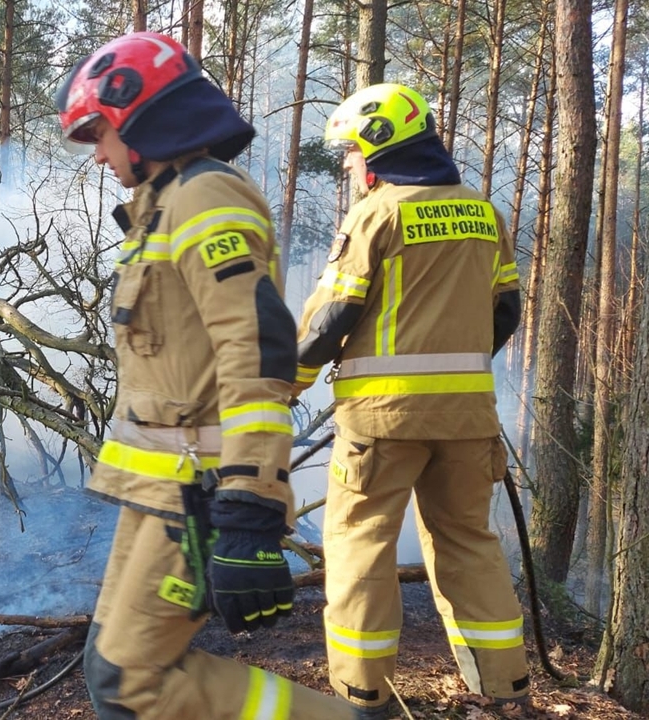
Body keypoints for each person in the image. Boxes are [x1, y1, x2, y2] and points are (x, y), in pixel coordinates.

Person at [56, 31, 356, 720]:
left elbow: (256, 354)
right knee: (110, 669)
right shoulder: (163, 206)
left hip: (201, 495)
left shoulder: (206, 197)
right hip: (161, 492)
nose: (97, 154)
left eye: (99, 134)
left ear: (140, 117)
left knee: (133, 684)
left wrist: (249, 508)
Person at [293, 82, 529, 718]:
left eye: (351, 151)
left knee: (360, 545)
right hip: (468, 419)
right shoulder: (484, 214)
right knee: (468, 542)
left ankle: (364, 697)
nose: (348, 164)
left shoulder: (378, 213)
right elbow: (505, 311)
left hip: (383, 420)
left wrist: (285, 385)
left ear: (379, 145)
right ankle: (504, 690)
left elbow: (331, 317)